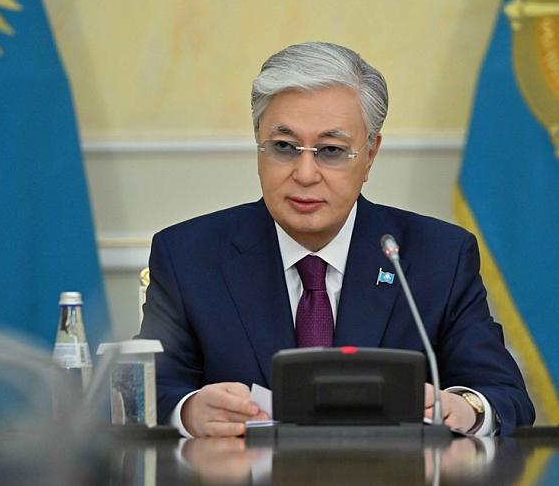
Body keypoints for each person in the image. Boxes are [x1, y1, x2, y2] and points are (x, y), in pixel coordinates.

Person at [138, 42, 534, 438]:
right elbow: (146, 394)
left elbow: (504, 395)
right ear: (258, 142)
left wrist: (464, 408)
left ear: (370, 154)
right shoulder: (189, 257)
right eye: (284, 147)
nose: (305, 174)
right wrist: (187, 412)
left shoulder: (438, 257)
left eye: (331, 150)